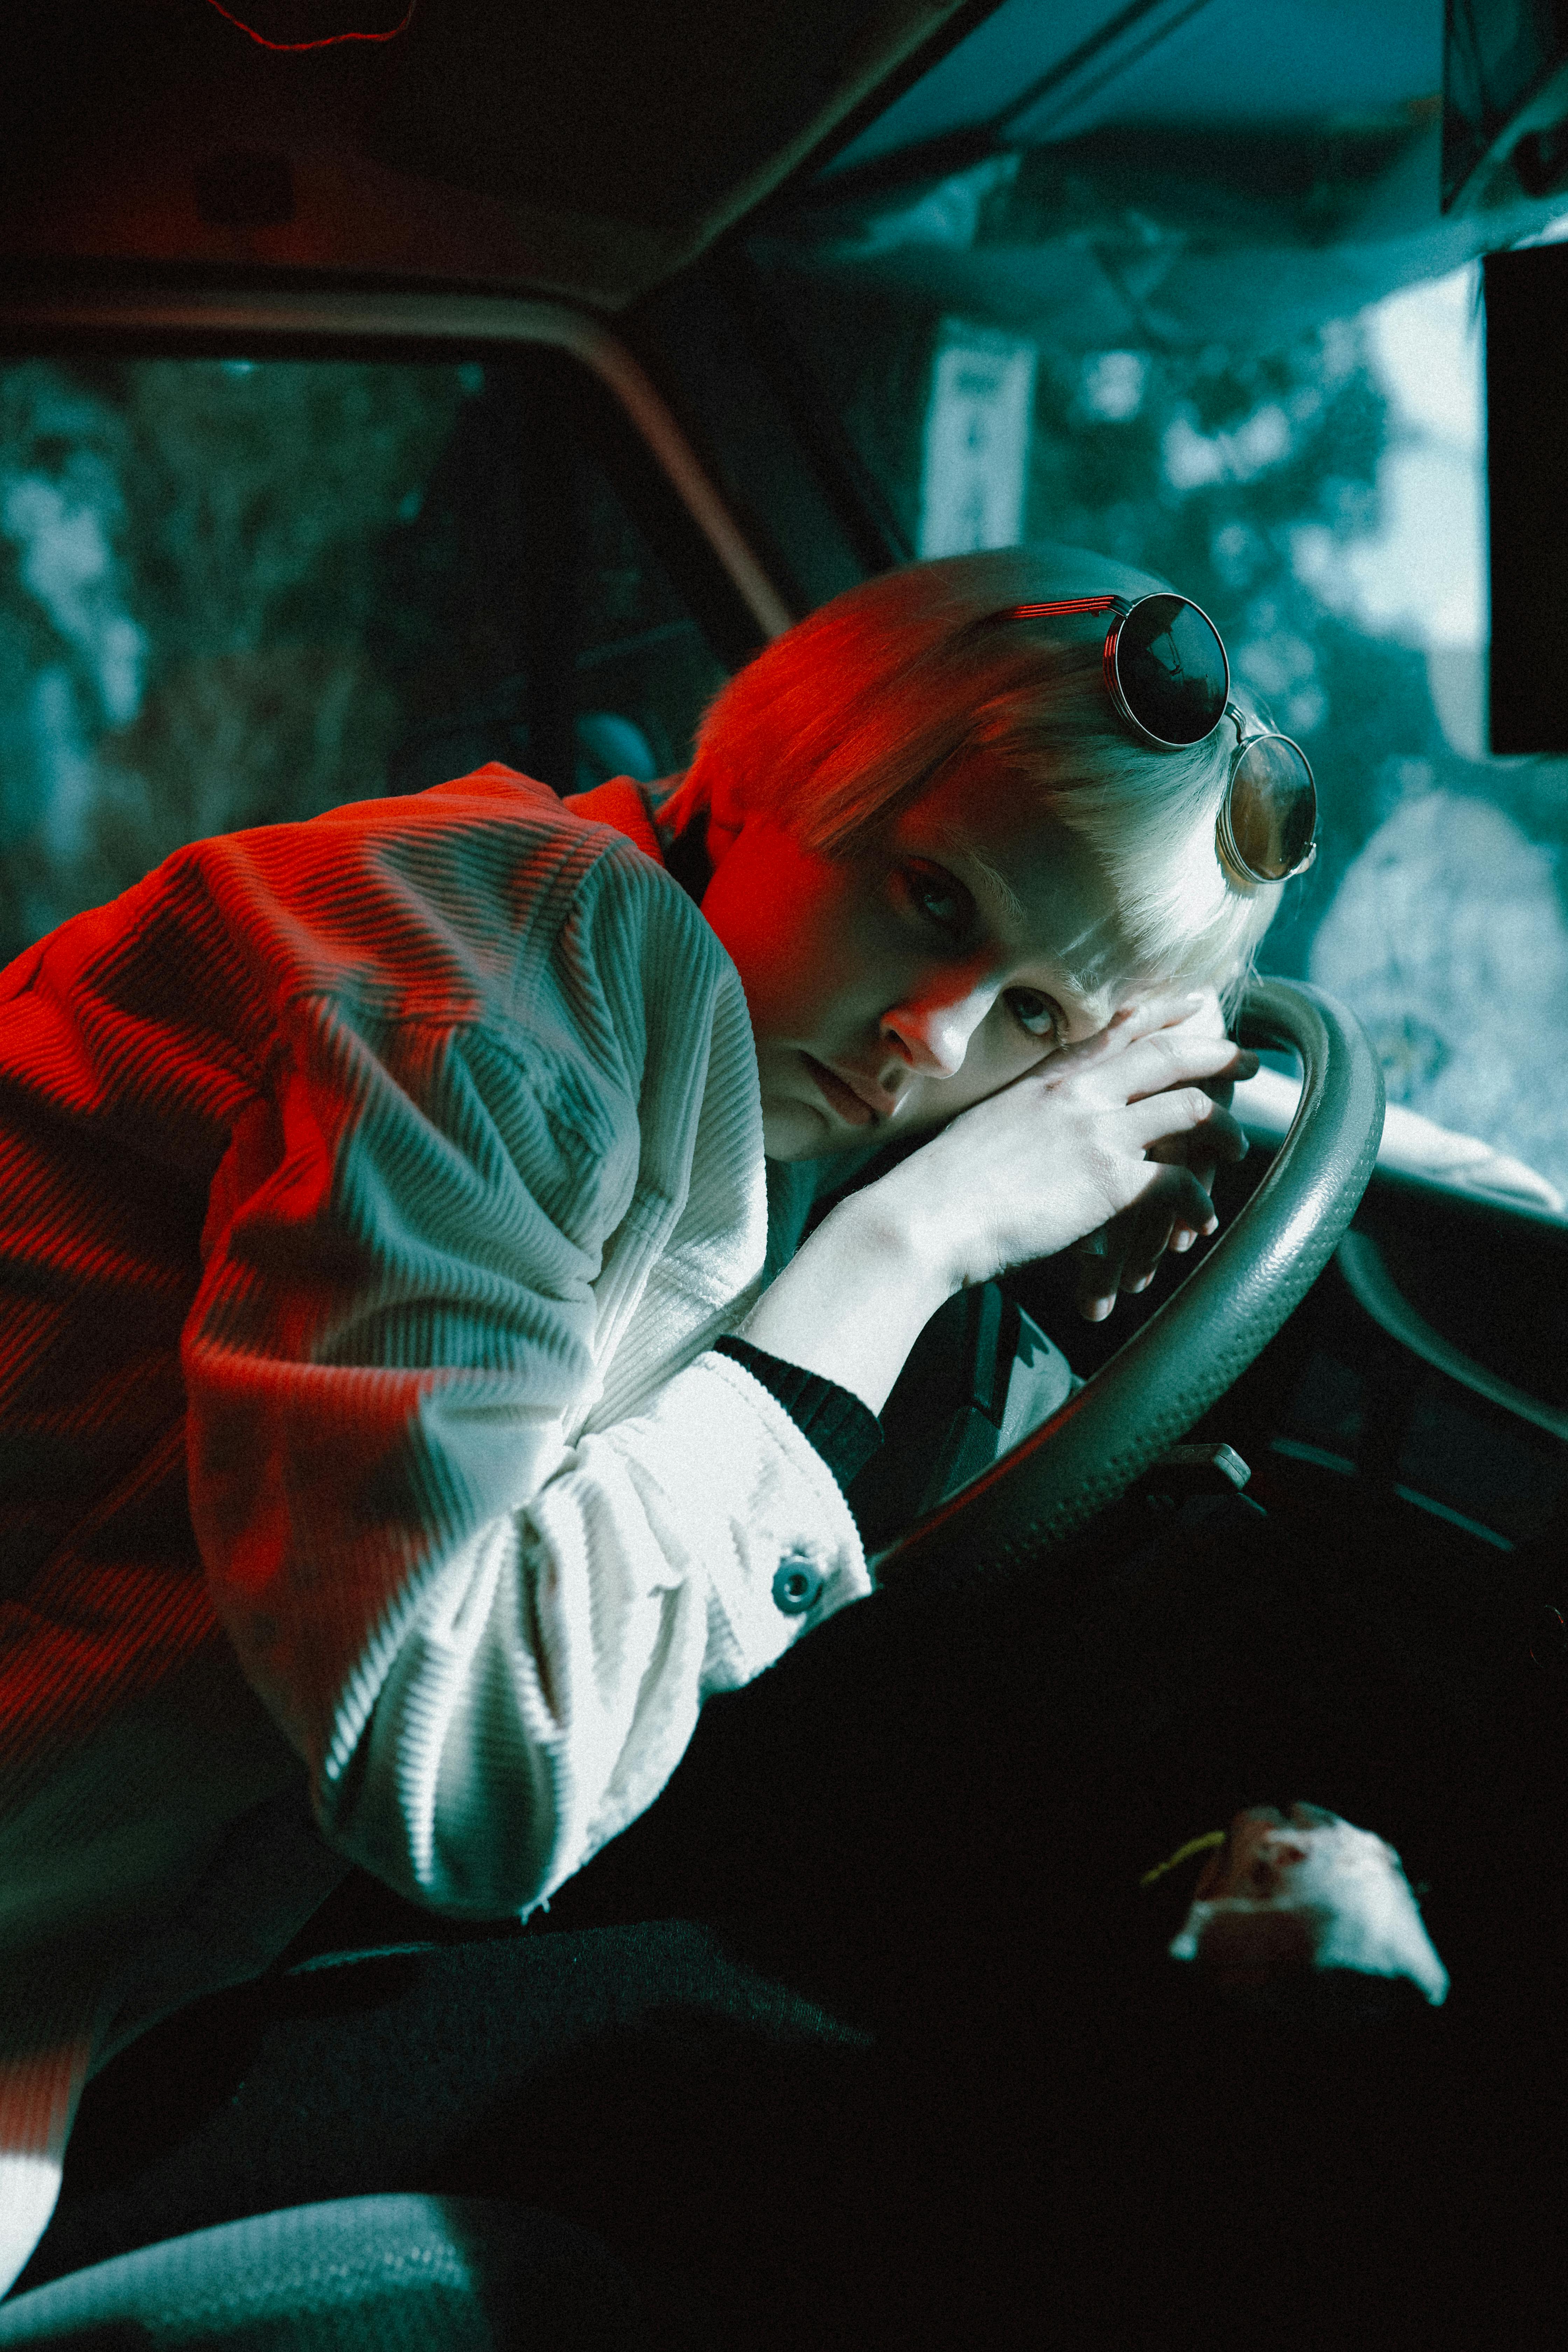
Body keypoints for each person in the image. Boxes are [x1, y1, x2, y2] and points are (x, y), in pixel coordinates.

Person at [0, 544, 1311, 2315]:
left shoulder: (627, 953)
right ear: (777, 776)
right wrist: (907, 1253)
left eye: (1036, 1022)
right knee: (790, 2100)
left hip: (113, 1921)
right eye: (933, 900)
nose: (934, 1038)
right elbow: (448, 1768)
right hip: (42, 1956)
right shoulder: (507, 1007)